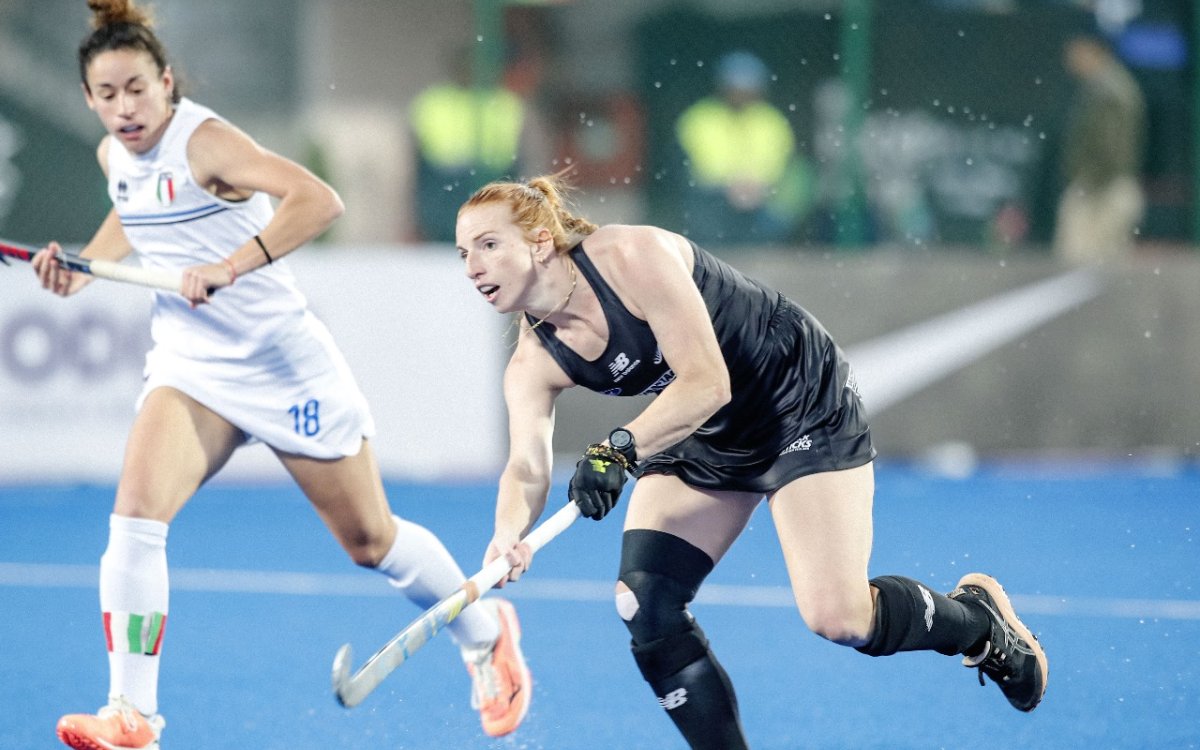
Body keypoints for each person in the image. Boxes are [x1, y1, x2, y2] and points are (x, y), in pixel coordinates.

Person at [35, 3, 531, 748]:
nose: (124, 108)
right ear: (88, 99)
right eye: (107, 95)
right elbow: (130, 212)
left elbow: (319, 200)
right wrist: (84, 265)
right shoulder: (116, 156)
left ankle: (486, 634)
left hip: (280, 365)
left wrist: (230, 266)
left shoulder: (206, 142)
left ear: (165, 82)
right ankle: (131, 712)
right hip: (191, 367)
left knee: (370, 540)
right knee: (134, 520)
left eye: (136, 89)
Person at [455, 174, 1049, 749]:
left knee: (840, 618)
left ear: (540, 242)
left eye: (488, 245)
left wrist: (618, 448)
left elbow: (707, 380)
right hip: (705, 428)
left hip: (795, 401)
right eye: (463, 254)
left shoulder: (631, 256)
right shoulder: (533, 361)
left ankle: (977, 625)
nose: (473, 267)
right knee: (645, 602)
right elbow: (526, 468)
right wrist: (508, 535)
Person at [673, 50, 812, 246]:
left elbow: (778, 163)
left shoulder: (771, 120)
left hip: (761, 196)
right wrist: (732, 184)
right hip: (714, 195)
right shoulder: (701, 117)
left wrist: (755, 184)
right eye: (736, 88)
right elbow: (701, 164)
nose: (741, 95)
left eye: (748, 89)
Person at [1053, 34, 1146, 264]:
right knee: (1102, 262)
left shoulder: (1108, 91)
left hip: (1102, 188)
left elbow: (1110, 145)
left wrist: (1091, 182)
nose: (1070, 59)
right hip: (1105, 184)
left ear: (1094, 50)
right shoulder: (1106, 86)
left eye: (1076, 51)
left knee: (1084, 259)